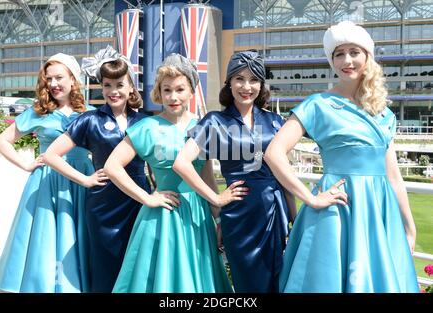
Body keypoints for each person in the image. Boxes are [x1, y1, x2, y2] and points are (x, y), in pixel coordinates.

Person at [265, 21, 419, 293]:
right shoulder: (317, 104)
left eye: (354, 52)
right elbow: (273, 153)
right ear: (331, 60)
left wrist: (408, 225)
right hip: (337, 209)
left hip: (379, 213)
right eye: (339, 54)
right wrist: (310, 198)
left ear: (367, 56)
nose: (347, 60)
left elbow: (393, 176)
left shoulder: (384, 114)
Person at [105, 54, 234, 292]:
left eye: (179, 89)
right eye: (167, 90)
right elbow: (112, 167)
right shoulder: (146, 127)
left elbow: (207, 177)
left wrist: (218, 219)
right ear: (159, 93)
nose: (173, 97)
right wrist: (148, 198)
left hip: (198, 217)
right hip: (163, 217)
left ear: (192, 90)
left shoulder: (202, 126)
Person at [173, 50, 296, 293]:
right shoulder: (214, 121)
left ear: (261, 85)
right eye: (239, 79)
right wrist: (216, 199)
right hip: (239, 215)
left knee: (280, 281)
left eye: (253, 80)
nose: (246, 86)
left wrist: (295, 219)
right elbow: (181, 164)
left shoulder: (275, 122)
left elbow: (285, 174)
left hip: (274, 212)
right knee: (247, 284)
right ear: (229, 83)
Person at [43, 46, 150, 292]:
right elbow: (51, 155)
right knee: (105, 263)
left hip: (139, 199)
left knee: (138, 262)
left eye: (120, 85)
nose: (113, 91)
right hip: (103, 203)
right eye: (107, 85)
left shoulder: (145, 121)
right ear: (101, 87)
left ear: (131, 87)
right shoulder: (89, 120)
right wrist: (85, 180)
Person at [0, 53, 93, 293]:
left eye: (59, 77)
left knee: (78, 235)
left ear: (72, 79)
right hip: (49, 182)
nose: (54, 83)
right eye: (49, 79)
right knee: (47, 237)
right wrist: (26, 165)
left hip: (82, 180)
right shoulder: (39, 112)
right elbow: (2, 141)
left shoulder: (89, 112)